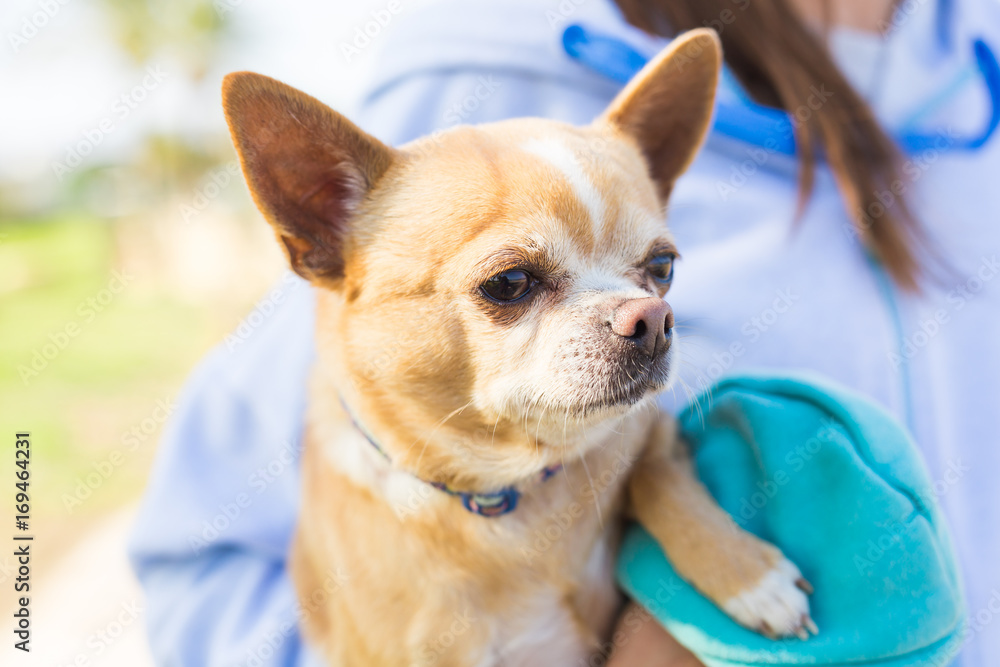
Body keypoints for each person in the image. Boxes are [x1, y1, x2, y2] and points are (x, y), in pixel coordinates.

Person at [129, 0, 1000, 665]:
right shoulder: (478, 74)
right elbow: (199, 554)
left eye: (655, 272)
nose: (643, 315)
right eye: (510, 285)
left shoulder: (975, 65)